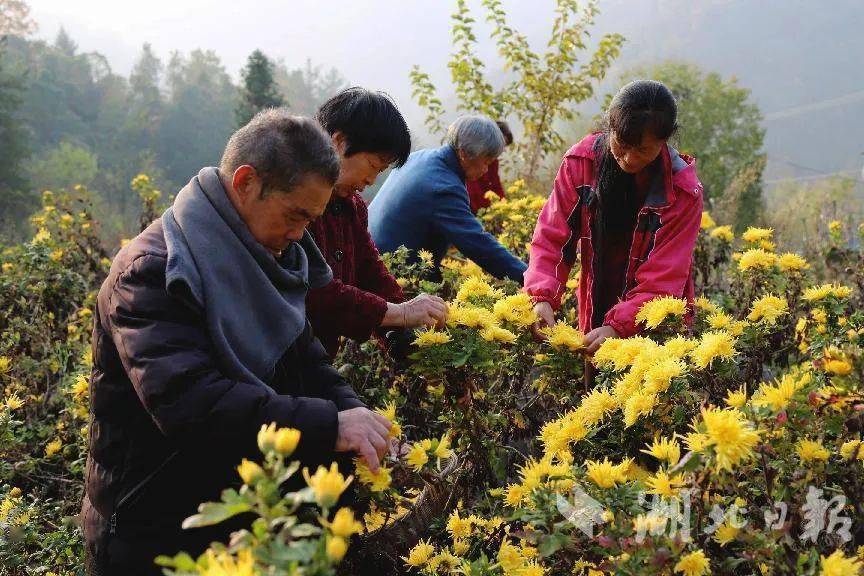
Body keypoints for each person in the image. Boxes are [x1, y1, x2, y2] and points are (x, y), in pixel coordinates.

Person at [82, 110, 392, 575]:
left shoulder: (272, 259)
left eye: (311, 220)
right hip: (152, 526)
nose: (299, 234)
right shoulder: (153, 272)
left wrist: (361, 420)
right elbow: (190, 404)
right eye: (295, 215)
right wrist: (331, 425)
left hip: (233, 512)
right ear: (246, 182)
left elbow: (305, 357)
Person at [525, 80, 703, 354]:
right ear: (610, 127)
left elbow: (664, 278)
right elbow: (552, 237)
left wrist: (619, 326)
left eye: (643, 150)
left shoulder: (682, 192)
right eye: (622, 144)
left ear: (664, 141)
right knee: (595, 389)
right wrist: (542, 296)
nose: (629, 159)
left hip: (655, 320)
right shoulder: (580, 164)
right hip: (597, 296)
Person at [307, 87, 447, 358]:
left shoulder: (352, 207)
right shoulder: (296, 207)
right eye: (373, 165)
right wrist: (399, 313)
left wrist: (406, 336)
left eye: (380, 171)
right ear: (340, 143)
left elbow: (371, 272)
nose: (372, 180)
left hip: (317, 360)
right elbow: (316, 293)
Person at [368, 115, 527, 283]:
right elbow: (478, 244)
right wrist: (530, 277)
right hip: (387, 275)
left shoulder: (419, 157)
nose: (486, 170)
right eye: (486, 162)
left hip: (370, 255)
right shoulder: (443, 186)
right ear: (464, 153)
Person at [466, 120, 513, 214]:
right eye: (501, 145)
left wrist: (504, 207)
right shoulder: (471, 158)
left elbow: (496, 184)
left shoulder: (493, 162)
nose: (502, 150)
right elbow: (471, 189)